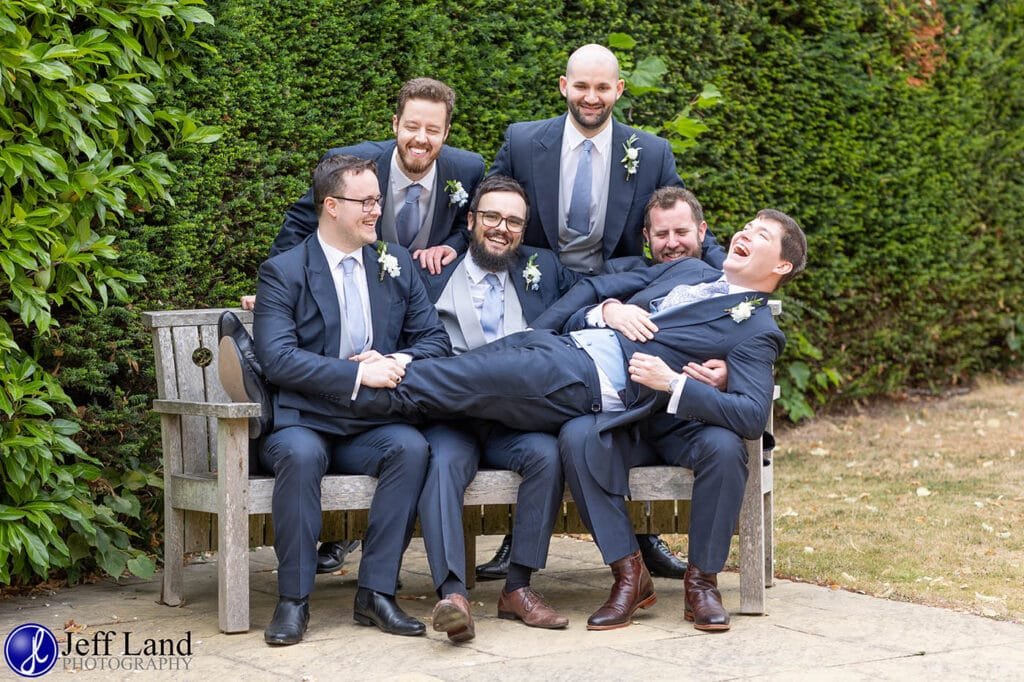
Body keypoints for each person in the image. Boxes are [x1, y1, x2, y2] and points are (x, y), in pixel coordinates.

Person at [236, 153, 452, 645]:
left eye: (378, 199)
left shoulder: (394, 265)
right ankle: (293, 600)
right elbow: (278, 359)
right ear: (331, 206)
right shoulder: (284, 271)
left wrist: (393, 361)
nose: (377, 210)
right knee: (300, 453)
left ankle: (375, 594)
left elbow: (434, 341)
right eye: (366, 201)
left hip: (369, 423)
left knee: (410, 448)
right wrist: (357, 375)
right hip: (302, 421)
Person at [476, 186, 720, 581]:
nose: (672, 244)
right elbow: (573, 318)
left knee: (721, 446)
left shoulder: (723, 281)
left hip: (680, 415)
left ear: (703, 231)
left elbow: (749, 339)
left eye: (681, 233)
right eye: (661, 235)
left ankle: (678, 564)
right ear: (646, 239)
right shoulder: (620, 273)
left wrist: (726, 372)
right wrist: (607, 310)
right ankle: (627, 568)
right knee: (572, 430)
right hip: (616, 411)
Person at [405, 175, 582, 642]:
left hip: (514, 421)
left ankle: (518, 588)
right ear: (470, 221)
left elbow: (582, 308)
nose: (501, 228)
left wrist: (611, 311)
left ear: (523, 232)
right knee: (440, 462)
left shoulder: (544, 267)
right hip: (452, 417)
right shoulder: (429, 269)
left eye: (513, 222)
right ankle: (453, 594)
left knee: (546, 454)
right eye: (491, 217)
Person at [489, 44, 726, 275]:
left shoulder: (653, 153)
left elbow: (685, 217)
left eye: (602, 88)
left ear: (619, 89)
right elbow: (483, 210)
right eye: (581, 86)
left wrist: (730, 272)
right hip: (532, 281)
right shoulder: (522, 142)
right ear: (564, 85)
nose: (591, 98)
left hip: (614, 288)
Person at [270, 77, 485, 273]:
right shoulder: (348, 164)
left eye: (432, 130)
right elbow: (300, 224)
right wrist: (274, 288)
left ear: (446, 133)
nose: (421, 138)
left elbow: (471, 224)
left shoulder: (468, 169)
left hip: (429, 296)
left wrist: (451, 245)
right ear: (395, 124)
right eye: (412, 126)